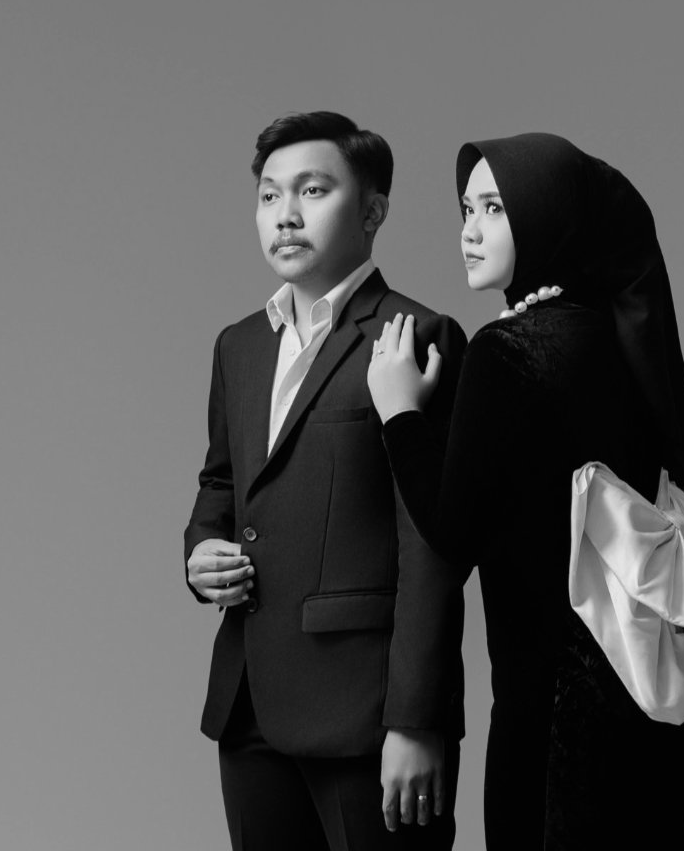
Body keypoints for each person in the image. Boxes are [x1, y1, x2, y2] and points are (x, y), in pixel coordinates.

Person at [366, 132, 684, 850]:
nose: (470, 231)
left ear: (548, 215)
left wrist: (399, 411)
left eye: (495, 209)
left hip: (553, 722)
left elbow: (452, 533)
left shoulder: (509, 351)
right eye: (466, 209)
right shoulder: (616, 340)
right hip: (647, 706)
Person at [184, 112, 468, 850]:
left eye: (312, 191)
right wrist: (201, 550)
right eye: (269, 195)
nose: (285, 214)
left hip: (368, 712)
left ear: (372, 212)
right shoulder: (239, 345)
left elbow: (434, 548)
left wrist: (417, 720)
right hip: (248, 703)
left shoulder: (415, 336)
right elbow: (222, 483)